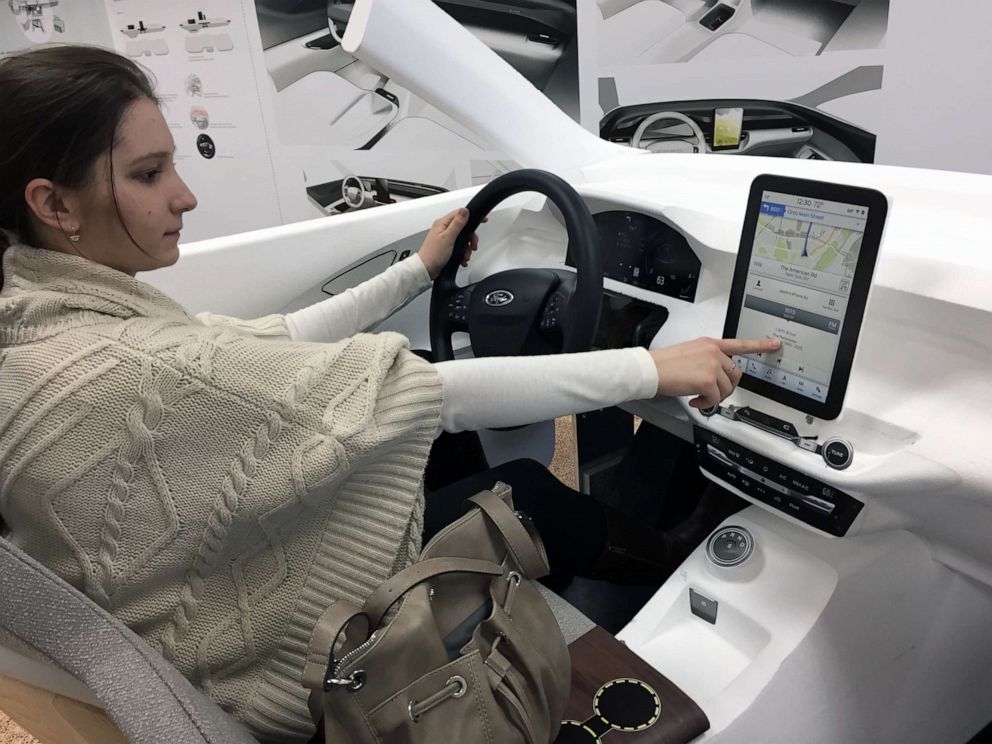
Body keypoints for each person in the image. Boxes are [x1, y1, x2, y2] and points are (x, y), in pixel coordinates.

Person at [0, 45, 780, 741]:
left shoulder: (44, 320)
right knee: (525, 491)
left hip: (172, 624)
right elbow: (432, 393)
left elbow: (266, 346)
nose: (185, 196)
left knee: (438, 461)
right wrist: (655, 369)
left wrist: (415, 273)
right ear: (54, 205)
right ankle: (668, 564)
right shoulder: (126, 365)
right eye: (148, 174)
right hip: (291, 668)